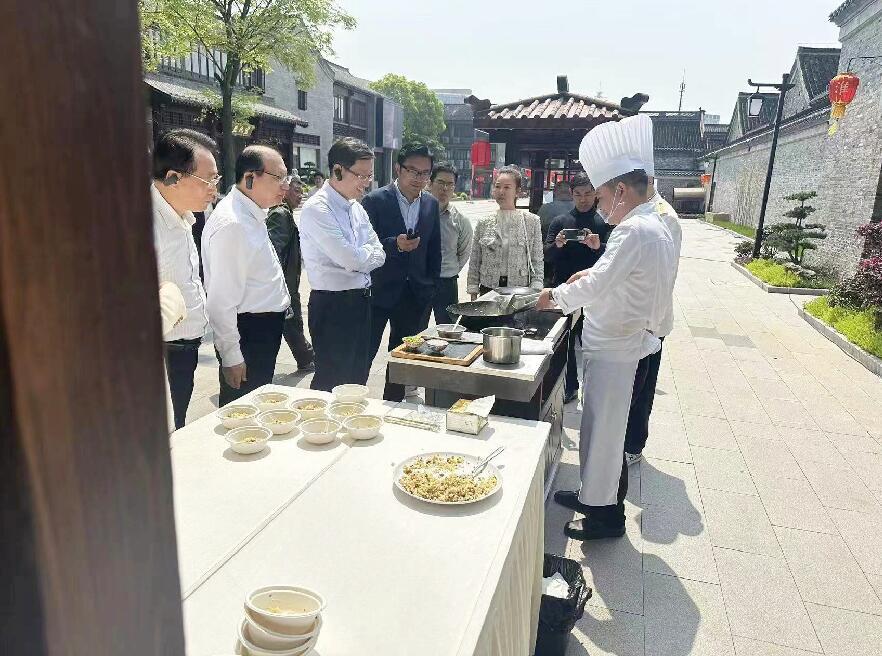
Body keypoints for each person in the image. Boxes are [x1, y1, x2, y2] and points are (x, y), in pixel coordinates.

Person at [536, 115, 677, 540]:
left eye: (599, 194)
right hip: (621, 340)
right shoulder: (654, 222)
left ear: (619, 189)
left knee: (606, 434)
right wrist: (588, 279)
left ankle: (605, 517)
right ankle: (590, 496)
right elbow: (619, 277)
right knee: (599, 429)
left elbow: (601, 282)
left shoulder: (635, 228)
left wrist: (555, 297)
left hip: (620, 346)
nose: (597, 204)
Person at [202, 145, 292, 406]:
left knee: (258, 404)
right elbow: (220, 300)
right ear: (250, 177)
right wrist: (231, 356)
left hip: (263, 328)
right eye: (279, 178)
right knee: (242, 410)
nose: (285, 185)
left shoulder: (252, 211)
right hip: (249, 332)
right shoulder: (233, 224)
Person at [299, 137, 386, 392]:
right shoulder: (318, 209)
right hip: (333, 306)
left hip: (361, 301)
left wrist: (361, 258)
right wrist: (361, 257)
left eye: (369, 176)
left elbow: (379, 254)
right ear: (338, 170)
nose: (366, 183)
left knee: (358, 377)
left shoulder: (356, 208)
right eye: (361, 176)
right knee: (331, 380)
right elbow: (351, 259)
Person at [623, 120, 683, 465]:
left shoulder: (663, 218)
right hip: (638, 320)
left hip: (649, 323)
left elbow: (663, 278)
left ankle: (633, 446)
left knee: (641, 389)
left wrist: (647, 327)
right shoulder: (644, 212)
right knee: (632, 387)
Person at [151, 128, 219, 428]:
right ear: (173, 177)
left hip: (186, 347)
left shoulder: (184, 215)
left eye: (216, 180)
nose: (213, 189)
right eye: (208, 180)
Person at [362, 142, 441, 401]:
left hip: (415, 292)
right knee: (364, 352)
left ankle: (392, 405)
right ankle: (354, 402)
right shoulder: (374, 201)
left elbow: (433, 249)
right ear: (398, 168)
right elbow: (363, 244)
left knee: (402, 357)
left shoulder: (430, 204)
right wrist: (393, 243)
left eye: (425, 173)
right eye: (413, 171)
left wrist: (431, 287)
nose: (419, 178)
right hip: (379, 289)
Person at [544, 173, 612, 403]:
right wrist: (558, 244)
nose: (583, 199)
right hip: (566, 291)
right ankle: (570, 386)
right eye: (578, 194)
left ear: (595, 194)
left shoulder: (605, 223)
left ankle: (595, 389)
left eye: (588, 194)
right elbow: (547, 255)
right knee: (566, 342)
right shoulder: (560, 222)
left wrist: (597, 246)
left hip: (595, 293)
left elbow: (614, 258)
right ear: (571, 195)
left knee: (594, 344)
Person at [467, 166, 544, 298]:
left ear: (517, 192)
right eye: (497, 186)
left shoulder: (531, 221)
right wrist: (473, 289)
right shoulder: (483, 222)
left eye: (507, 187)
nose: (501, 191)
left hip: (519, 290)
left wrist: (536, 289)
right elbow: (475, 259)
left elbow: (537, 259)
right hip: (488, 288)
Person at [266, 172, 315, 372]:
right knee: (292, 321)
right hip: (284, 282)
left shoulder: (283, 212)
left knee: (291, 322)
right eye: (296, 191)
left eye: (301, 191)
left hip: (287, 280)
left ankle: (307, 355)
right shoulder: (280, 214)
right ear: (285, 191)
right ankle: (306, 357)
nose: (300, 195)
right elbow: (274, 250)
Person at [428, 162, 473, 325]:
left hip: (447, 283)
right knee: (414, 330)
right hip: (420, 281)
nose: (445, 188)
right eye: (440, 183)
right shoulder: (416, 213)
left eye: (450, 184)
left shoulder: (460, 220)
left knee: (448, 330)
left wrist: (450, 269)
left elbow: (464, 252)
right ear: (430, 183)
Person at [538, 183, 575, 285]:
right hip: (573, 257)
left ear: (555, 193)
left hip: (549, 255)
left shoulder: (545, 209)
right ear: (571, 193)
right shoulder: (579, 208)